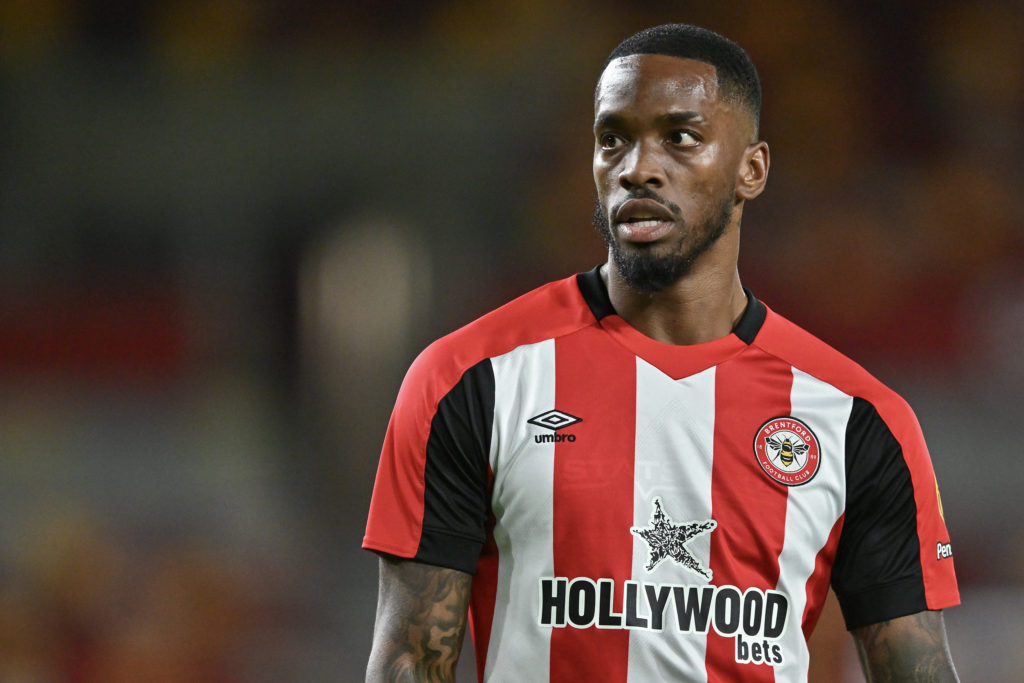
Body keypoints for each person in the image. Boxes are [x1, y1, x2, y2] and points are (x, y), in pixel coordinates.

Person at [363, 23, 960, 682]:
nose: (638, 166)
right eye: (612, 137)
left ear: (751, 170)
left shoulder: (857, 417)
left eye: (681, 137)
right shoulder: (470, 378)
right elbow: (412, 660)